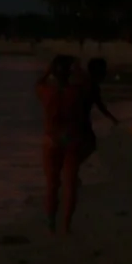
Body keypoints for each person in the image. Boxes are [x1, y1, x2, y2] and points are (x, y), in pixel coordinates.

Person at [35, 51, 94, 231]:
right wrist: (79, 70)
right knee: (70, 184)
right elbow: (89, 86)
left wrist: (47, 71)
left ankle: (51, 223)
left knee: (52, 184)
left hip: (51, 140)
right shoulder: (75, 93)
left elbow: (38, 83)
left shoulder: (46, 92)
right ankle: (66, 225)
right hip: (71, 140)